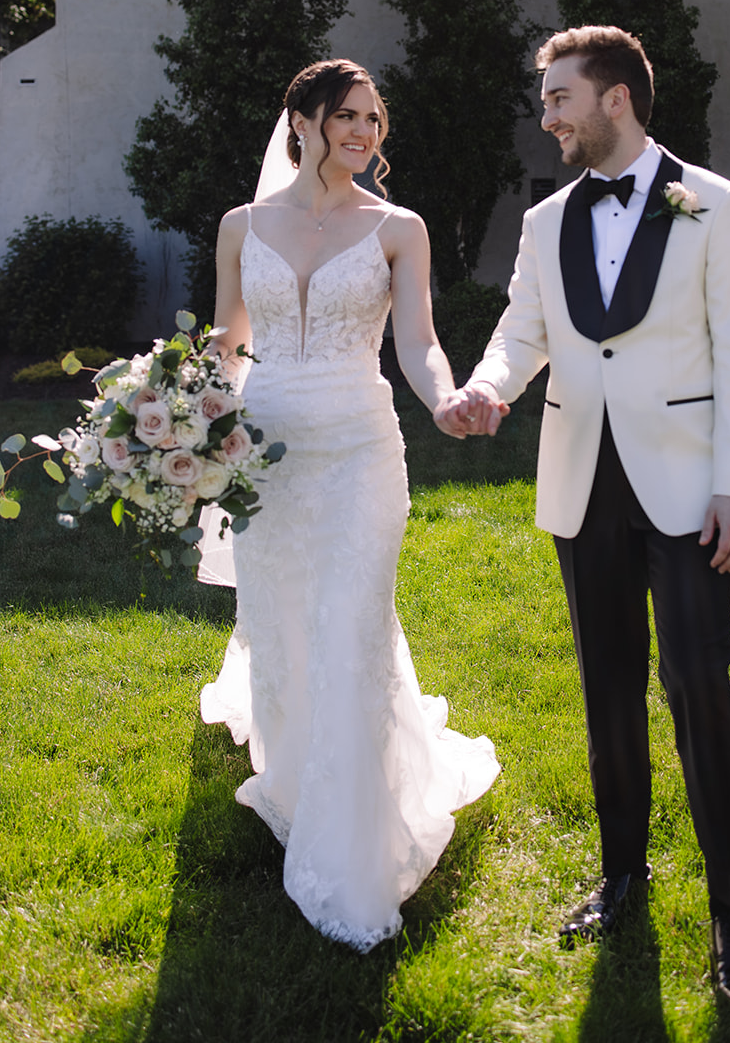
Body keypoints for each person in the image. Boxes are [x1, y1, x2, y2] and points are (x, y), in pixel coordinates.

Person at [435, 25, 730, 1013]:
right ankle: (623, 873)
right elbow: (523, 330)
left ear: (614, 98)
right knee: (606, 688)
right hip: (581, 483)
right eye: (545, 101)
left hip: (687, 489)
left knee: (698, 688)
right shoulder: (545, 220)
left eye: (557, 98)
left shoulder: (712, 204)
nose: (546, 117)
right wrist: (486, 390)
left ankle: (728, 914)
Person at [199, 58, 500, 951]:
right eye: (347, 118)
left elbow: (419, 343)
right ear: (301, 122)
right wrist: (184, 417)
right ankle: (296, 777)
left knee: (351, 624)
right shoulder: (239, 226)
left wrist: (445, 398)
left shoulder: (398, 228)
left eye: (374, 121)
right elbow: (227, 343)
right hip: (268, 456)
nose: (365, 134)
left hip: (362, 450)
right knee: (286, 624)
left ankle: (358, 842)